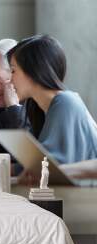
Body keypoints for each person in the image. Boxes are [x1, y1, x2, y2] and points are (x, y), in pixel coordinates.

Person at [7, 34, 97, 168]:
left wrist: (6, 169)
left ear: (33, 70)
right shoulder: (42, 110)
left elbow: (50, 165)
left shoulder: (66, 101)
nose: (10, 79)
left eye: (13, 70)